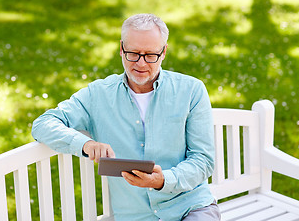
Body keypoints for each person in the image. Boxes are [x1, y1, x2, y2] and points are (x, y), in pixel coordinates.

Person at [32, 13, 220, 221]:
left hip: (190, 207)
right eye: (133, 53)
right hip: (136, 216)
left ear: (164, 52)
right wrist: (85, 144)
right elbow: (42, 124)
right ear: (121, 49)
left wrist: (164, 180)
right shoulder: (98, 94)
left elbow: (203, 160)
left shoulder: (191, 90)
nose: (140, 63)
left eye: (150, 55)